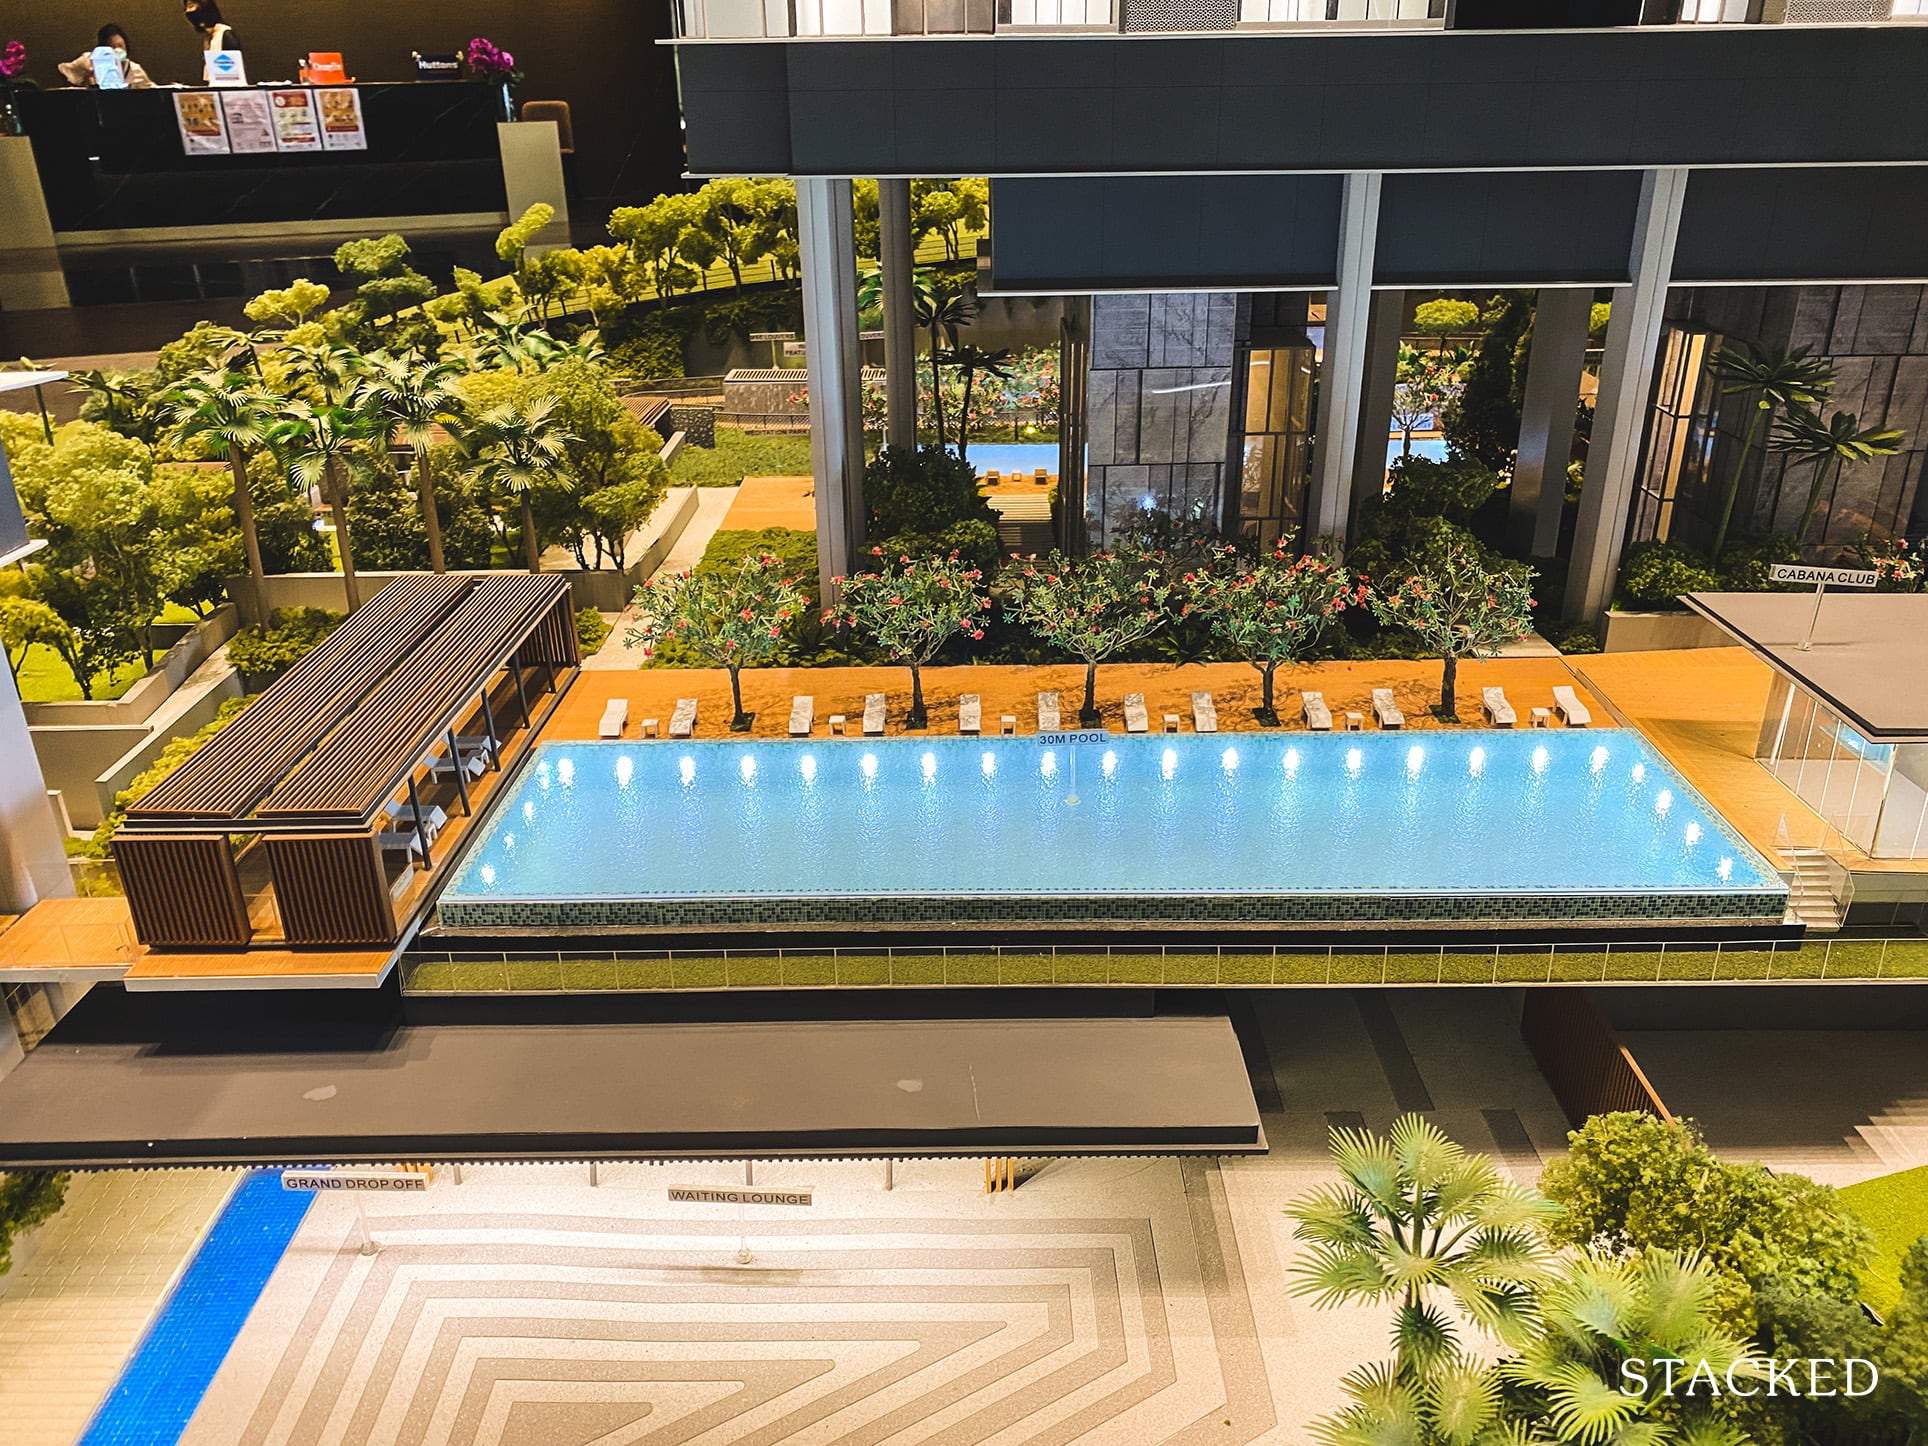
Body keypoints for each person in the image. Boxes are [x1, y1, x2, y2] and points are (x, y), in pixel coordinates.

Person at [56, 25, 154, 88]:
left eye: (120, 45)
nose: (117, 50)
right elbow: (65, 70)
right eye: (112, 47)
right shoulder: (89, 61)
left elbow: (151, 90)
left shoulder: (134, 69)